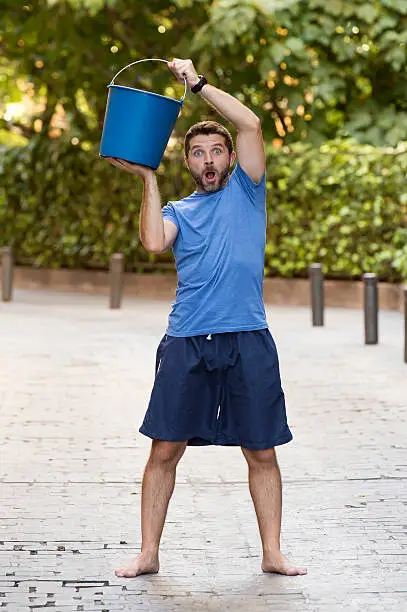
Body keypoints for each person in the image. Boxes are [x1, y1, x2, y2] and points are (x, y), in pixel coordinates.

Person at [105, 58, 307, 578]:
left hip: (248, 338)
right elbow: (152, 243)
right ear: (189, 164)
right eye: (198, 153)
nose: (209, 159)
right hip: (188, 340)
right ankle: (148, 553)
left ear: (231, 157)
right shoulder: (177, 210)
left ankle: (272, 552)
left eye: (217, 151)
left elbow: (251, 123)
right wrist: (148, 179)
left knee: (262, 451)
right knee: (165, 449)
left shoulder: (248, 190)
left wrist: (196, 85)